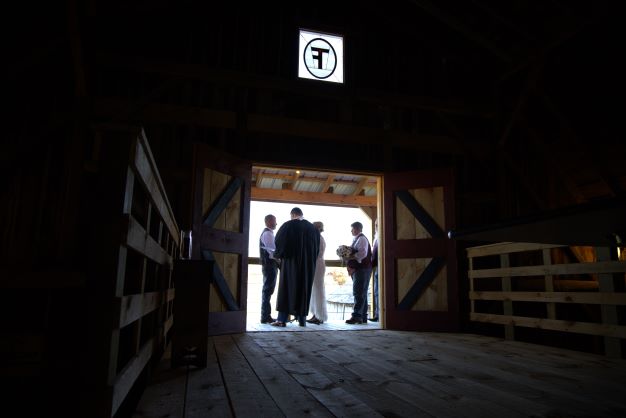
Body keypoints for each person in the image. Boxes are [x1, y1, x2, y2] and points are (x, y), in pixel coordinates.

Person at [271, 207, 320, 327]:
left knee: (287, 289)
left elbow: (277, 244)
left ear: (292, 215)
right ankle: (302, 320)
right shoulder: (313, 229)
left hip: (290, 264)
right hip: (307, 266)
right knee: (303, 289)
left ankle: (282, 320)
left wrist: (279, 257)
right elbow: (317, 250)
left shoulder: (288, 225)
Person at [345, 221, 372, 325]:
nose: (351, 231)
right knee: (362, 293)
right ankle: (362, 316)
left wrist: (349, 256)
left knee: (358, 292)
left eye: (352, 229)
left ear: (357, 229)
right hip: (360, 269)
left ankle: (356, 316)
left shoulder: (362, 239)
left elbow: (362, 254)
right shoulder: (356, 239)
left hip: (362, 268)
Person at [307, 221, 328, 325]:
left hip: (317, 264)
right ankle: (315, 314)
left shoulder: (318, 239)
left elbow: (315, 253)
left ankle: (319, 316)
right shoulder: (318, 238)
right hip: (317, 263)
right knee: (314, 290)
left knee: (318, 290)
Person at [259, 214, 279, 324]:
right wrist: (280, 261)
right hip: (270, 265)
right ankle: (265, 316)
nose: (276, 223)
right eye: (274, 221)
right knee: (267, 291)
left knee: (267, 290)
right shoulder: (267, 234)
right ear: (267, 222)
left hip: (268, 265)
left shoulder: (268, 233)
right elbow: (273, 252)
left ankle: (266, 316)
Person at [370, 218, 380, 322]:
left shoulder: (381, 236)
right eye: (375, 224)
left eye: (377, 224)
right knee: (377, 292)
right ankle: (377, 314)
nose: (376, 226)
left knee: (380, 291)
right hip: (377, 267)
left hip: (381, 266)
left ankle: (380, 315)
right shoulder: (376, 237)